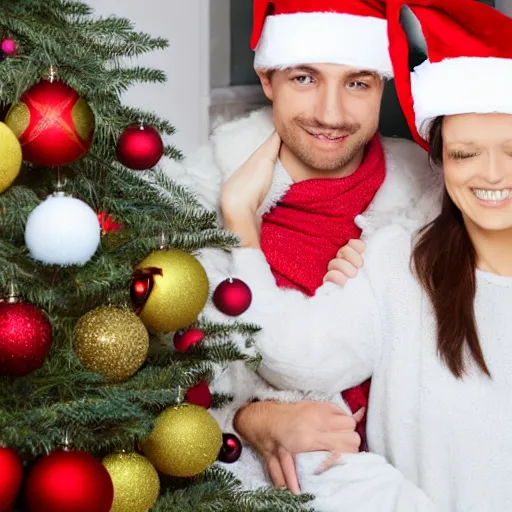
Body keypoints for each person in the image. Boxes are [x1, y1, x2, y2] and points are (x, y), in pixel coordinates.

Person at [220, 0, 512, 510]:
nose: (491, 174)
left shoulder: (393, 228)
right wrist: (241, 224)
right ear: (440, 162)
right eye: (466, 153)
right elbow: (294, 357)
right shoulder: (396, 261)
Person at [164, 0, 441, 492]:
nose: (330, 114)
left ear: (384, 84)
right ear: (267, 77)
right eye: (305, 79)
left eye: (357, 82)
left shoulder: (430, 199)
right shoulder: (193, 205)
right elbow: (141, 394)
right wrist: (250, 420)